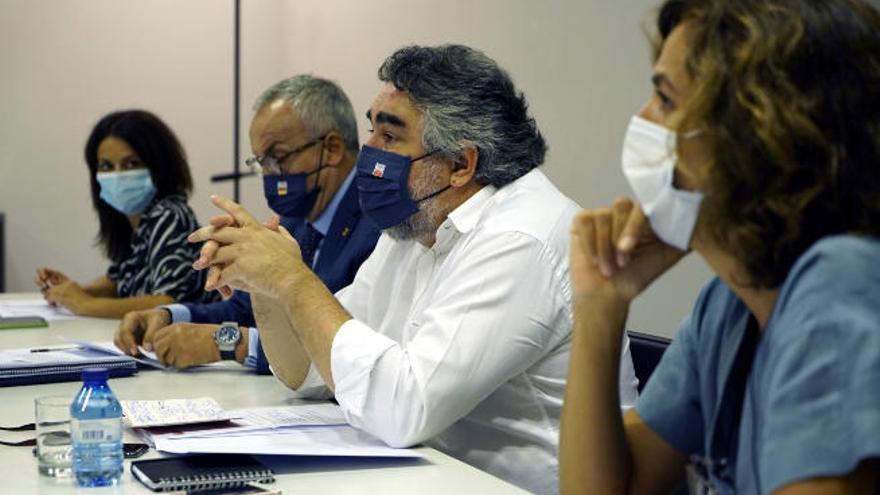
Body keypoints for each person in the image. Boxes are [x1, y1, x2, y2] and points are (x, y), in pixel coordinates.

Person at [189, 44, 638, 495]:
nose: (368, 152)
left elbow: (403, 410)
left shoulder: (521, 239)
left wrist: (292, 278)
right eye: (372, 130)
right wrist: (266, 284)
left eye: (390, 136)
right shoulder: (415, 224)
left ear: (461, 164)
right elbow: (309, 372)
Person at [559, 0, 880, 493]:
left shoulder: (842, 285)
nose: (643, 119)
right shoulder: (729, 305)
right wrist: (601, 304)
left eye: (665, 100)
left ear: (762, 129)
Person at [113, 76, 380, 371]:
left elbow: (351, 345)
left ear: (331, 149)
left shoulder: (377, 225)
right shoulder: (296, 219)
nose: (269, 174)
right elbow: (243, 309)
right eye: (261, 162)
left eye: (277, 157)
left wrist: (230, 344)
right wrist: (169, 316)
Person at [34, 110, 214, 319]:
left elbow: (166, 302)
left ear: (159, 166)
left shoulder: (169, 215)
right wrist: (69, 291)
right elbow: (119, 282)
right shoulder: (135, 220)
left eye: (131, 164)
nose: (118, 175)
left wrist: (84, 303)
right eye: (106, 166)